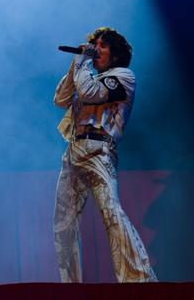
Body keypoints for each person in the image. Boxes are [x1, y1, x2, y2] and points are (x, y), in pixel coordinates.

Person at [53, 26, 157, 283]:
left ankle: (138, 279)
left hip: (99, 152)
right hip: (74, 150)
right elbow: (61, 99)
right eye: (94, 44)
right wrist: (76, 63)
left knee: (112, 213)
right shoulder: (84, 72)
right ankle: (71, 285)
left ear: (116, 53)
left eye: (103, 45)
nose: (96, 49)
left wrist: (82, 64)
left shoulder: (124, 76)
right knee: (63, 224)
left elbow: (90, 93)